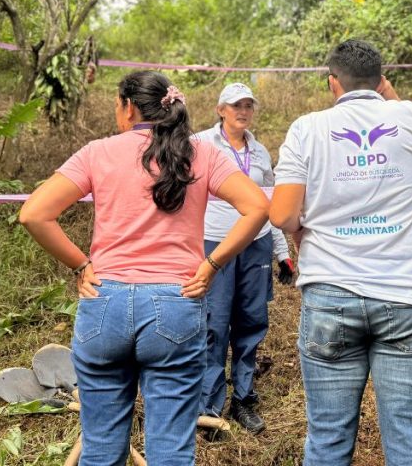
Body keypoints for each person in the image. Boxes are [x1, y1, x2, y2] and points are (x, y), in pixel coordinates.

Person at [19, 71, 269, 466]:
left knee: (101, 450)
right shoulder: (201, 153)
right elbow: (257, 207)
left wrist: (81, 264)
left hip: (104, 304)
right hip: (176, 305)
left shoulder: (98, 152)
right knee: (171, 451)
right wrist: (211, 265)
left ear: (129, 107)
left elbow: (33, 214)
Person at [270, 39, 412, 466]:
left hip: (330, 295)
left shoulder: (307, 128)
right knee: (408, 443)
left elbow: (282, 215)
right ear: (381, 80)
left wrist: (305, 228)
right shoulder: (410, 116)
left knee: (327, 439)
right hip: (406, 297)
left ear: (332, 83)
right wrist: (397, 102)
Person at [194, 82, 294, 434]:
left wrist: (283, 252)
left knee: (251, 320)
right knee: (213, 323)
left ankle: (244, 400)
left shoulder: (261, 151)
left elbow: (270, 203)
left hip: (257, 244)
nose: (243, 111)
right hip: (215, 243)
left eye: (249, 105)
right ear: (220, 109)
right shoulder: (199, 144)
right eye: (236, 105)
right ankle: (209, 406)